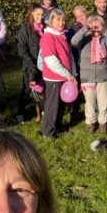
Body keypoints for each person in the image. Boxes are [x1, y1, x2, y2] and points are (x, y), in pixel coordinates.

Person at [71, 15, 107, 134]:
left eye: (98, 25)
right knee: (89, 102)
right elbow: (73, 41)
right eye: (93, 25)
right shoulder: (84, 38)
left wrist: (104, 31)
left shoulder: (104, 37)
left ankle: (103, 123)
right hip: (87, 75)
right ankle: (91, 123)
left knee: (103, 102)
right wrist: (86, 27)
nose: (95, 28)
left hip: (102, 75)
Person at [40, 9, 76, 139]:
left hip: (64, 76)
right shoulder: (48, 37)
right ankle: (47, 131)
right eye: (58, 20)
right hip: (54, 77)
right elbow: (51, 60)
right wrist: (67, 74)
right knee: (52, 105)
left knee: (61, 105)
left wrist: (72, 73)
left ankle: (58, 126)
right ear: (51, 21)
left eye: (63, 20)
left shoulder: (61, 35)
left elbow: (68, 56)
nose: (62, 22)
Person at [16, 3, 45, 124]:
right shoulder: (25, 29)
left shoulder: (45, 28)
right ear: (32, 13)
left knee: (43, 88)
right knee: (27, 89)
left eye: (42, 14)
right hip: (30, 65)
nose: (40, 17)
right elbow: (22, 48)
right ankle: (20, 113)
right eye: (38, 14)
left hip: (43, 64)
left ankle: (43, 110)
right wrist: (30, 64)